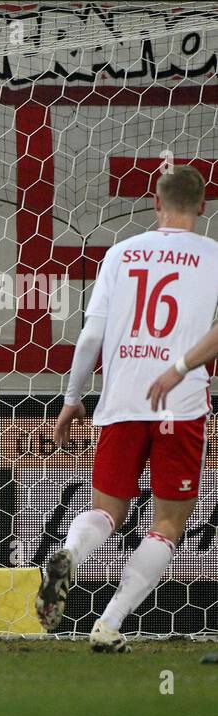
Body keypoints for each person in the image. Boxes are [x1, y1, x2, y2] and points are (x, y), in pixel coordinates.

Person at [41, 165, 218, 652]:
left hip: (121, 401)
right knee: (167, 523)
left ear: (155, 203)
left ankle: (71, 552)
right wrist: (181, 363)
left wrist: (73, 400)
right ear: (203, 206)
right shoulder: (214, 257)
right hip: (178, 405)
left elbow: (91, 337)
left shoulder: (120, 254)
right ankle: (110, 623)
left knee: (106, 511)